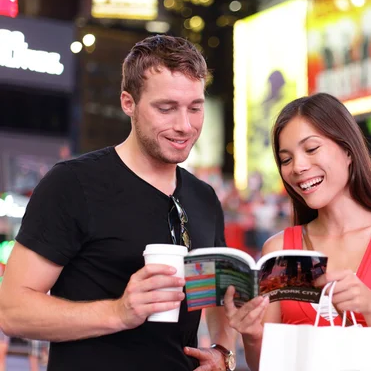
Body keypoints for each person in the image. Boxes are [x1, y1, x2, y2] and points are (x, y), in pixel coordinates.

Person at [0, 35, 236, 371]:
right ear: (128, 102)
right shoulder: (73, 183)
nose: (184, 125)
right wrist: (119, 312)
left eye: (195, 108)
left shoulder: (203, 197)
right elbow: (12, 311)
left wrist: (222, 351)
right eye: (166, 108)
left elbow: (211, 295)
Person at [223, 93, 371, 371]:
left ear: (348, 150)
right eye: (286, 159)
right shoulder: (278, 251)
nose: (298, 167)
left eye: (311, 149)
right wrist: (251, 337)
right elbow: (266, 364)